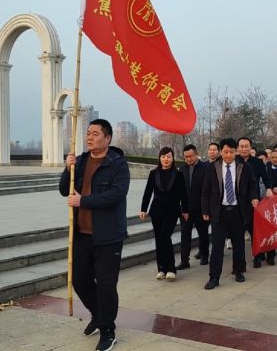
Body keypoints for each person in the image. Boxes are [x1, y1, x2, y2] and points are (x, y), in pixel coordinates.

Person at [59, 119, 128, 351]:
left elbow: (116, 195)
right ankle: (98, 315)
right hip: (82, 234)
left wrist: (84, 201)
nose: (90, 137)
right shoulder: (79, 161)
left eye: (95, 134)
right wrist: (67, 168)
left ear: (107, 138)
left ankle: (108, 330)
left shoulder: (117, 164)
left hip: (108, 236)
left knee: (107, 285)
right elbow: (63, 190)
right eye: (88, 133)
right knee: (79, 280)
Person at [201, 138, 259, 290]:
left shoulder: (244, 167)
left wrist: (254, 197)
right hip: (219, 213)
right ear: (221, 151)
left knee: (239, 244)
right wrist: (205, 210)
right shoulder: (212, 168)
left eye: (231, 152)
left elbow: (253, 185)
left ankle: (239, 271)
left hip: (237, 212)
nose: (228, 155)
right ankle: (214, 277)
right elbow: (205, 191)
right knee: (217, 246)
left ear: (236, 152)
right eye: (225, 152)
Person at [140, 147, 189, 281]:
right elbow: (148, 192)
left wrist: (185, 210)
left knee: (165, 237)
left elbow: (183, 194)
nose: (165, 159)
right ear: (159, 158)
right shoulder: (153, 173)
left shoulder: (178, 174)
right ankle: (161, 268)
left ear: (172, 158)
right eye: (163, 157)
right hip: (156, 211)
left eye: (168, 156)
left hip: (172, 211)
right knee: (158, 238)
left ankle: (171, 269)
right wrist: (143, 209)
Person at [236, 137, 274, 269]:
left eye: (247, 146)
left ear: (251, 147)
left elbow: (266, 178)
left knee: (256, 230)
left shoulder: (257, 162)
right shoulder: (234, 161)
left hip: (255, 201)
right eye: (242, 146)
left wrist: (269, 189)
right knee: (239, 232)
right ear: (237, 148)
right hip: (238, 202)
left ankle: (259, 256)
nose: (244, 149)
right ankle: (241, 262)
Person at [177, 144, 210, 269]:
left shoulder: (205, 168)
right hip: (185, 210)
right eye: (186, 157)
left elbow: (207, 190)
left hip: (201, 209)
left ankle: (205, 255)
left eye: (190, 156)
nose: (188, 159)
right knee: (185, 235)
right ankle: (184, 261)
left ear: (196, 154)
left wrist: (206, 209)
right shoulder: (182, 169)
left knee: (203, 233)